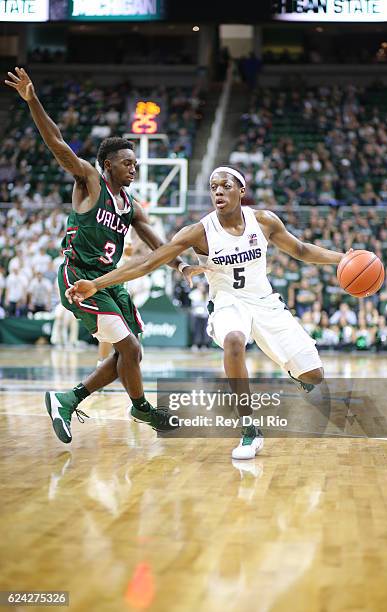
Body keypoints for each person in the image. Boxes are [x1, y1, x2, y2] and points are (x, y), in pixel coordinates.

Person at [66, 166, 349, 459]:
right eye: (213, 187)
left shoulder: (263, 221)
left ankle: (298, 372)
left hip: (265, 302)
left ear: (241, 191)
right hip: (227, 302)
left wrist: (343, 259)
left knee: (314, 375)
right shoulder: (200, 231)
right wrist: (96, 284)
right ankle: (249, 430)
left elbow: (301, 249)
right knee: (234, 340)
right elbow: (147, 263)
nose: (218, 191)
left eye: (225, 186)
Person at [5, 67, 204, 444]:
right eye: (128, 163)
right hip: (79, 277)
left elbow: (154, 241)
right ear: (108, 164)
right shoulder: (90, 182)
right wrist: (33, 101)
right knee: (127, 348)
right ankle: (140, 407)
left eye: (135, 163)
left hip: (109, 282)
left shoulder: (130, 204)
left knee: (131, 354)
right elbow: (59, 145)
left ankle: (69, 399)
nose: (134, 167)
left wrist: (179, 264)